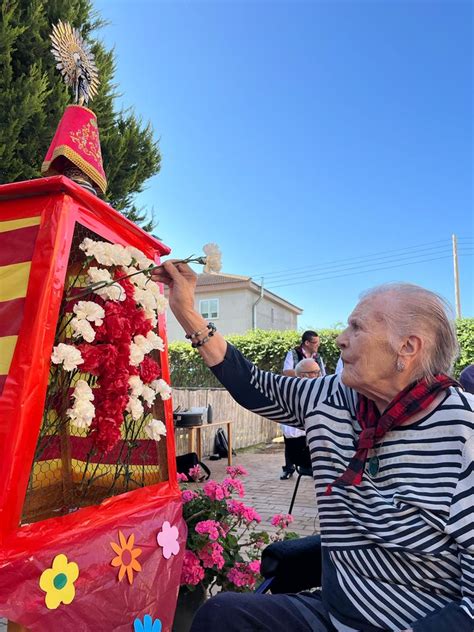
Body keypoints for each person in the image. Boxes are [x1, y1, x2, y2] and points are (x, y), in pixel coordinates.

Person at [153, 262, 473, 632]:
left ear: (407, 347)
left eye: (357, 327)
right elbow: (252, 384)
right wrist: (187, 312)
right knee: (221, 616)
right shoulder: (334, 397)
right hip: (334, 612)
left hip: (417, 621)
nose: (339, 338)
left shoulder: (463, 434)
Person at [279, 358, 320, 480]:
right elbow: (291, 431)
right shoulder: (294, 395)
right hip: (303, 453)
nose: (319, 375)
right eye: (315, 372)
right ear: (303, 376)